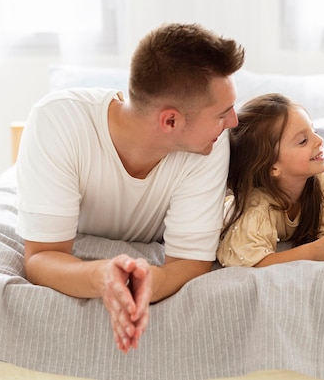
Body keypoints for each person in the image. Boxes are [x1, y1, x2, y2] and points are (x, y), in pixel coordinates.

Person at [15, 23, 245, 353]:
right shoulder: (57, 122)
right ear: (170, 121)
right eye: (222, 113)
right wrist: (98, 276)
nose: (234, 122)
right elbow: (39, 256)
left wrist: (152, 282)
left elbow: (190, 262)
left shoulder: (210, 143)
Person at [217, 93, 324, 267]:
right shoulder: (256, 208)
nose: (319, 140)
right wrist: (313, 252)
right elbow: (253, 261)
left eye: (314, 131)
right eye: (303, 141)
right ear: (272, 167)